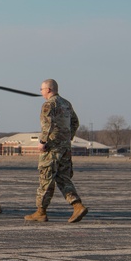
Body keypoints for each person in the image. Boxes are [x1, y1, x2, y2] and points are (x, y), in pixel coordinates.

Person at [27, 79, 89, 223]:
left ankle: (40, 212)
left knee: (46, 178)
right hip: (65, 148)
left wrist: (43, 142)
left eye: (41, 89)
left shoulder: (49, 104)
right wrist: (67, 138)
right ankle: (77, 206)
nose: (41, 91)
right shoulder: (66, 103)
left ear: (48, 89)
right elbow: (75, 122)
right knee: (62, 178)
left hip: (52, 148)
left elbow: (47, 125)